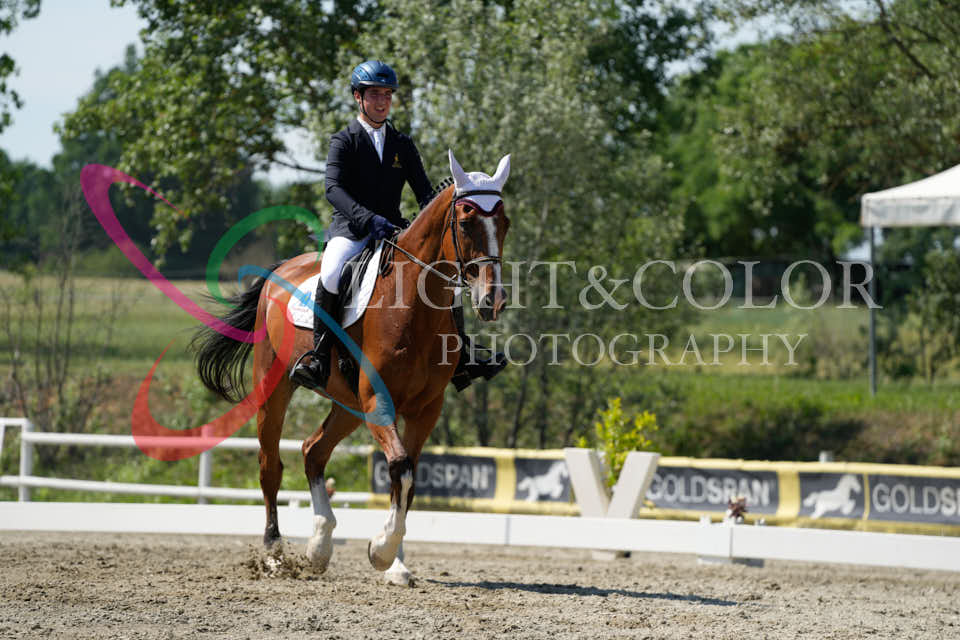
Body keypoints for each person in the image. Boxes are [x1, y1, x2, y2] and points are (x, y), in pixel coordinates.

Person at [290, 60, 506, 392]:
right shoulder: (344, 140)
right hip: (351, 230)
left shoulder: (402, 144)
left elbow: (425, 195)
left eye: (387, 95)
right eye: (375, 95)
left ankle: (462, 356)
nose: (382, 102)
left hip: (393, 231)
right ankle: (318, 357)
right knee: (332, 272)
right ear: (358, 97)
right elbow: (333, 189)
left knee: (446, 277)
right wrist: (367, 219)